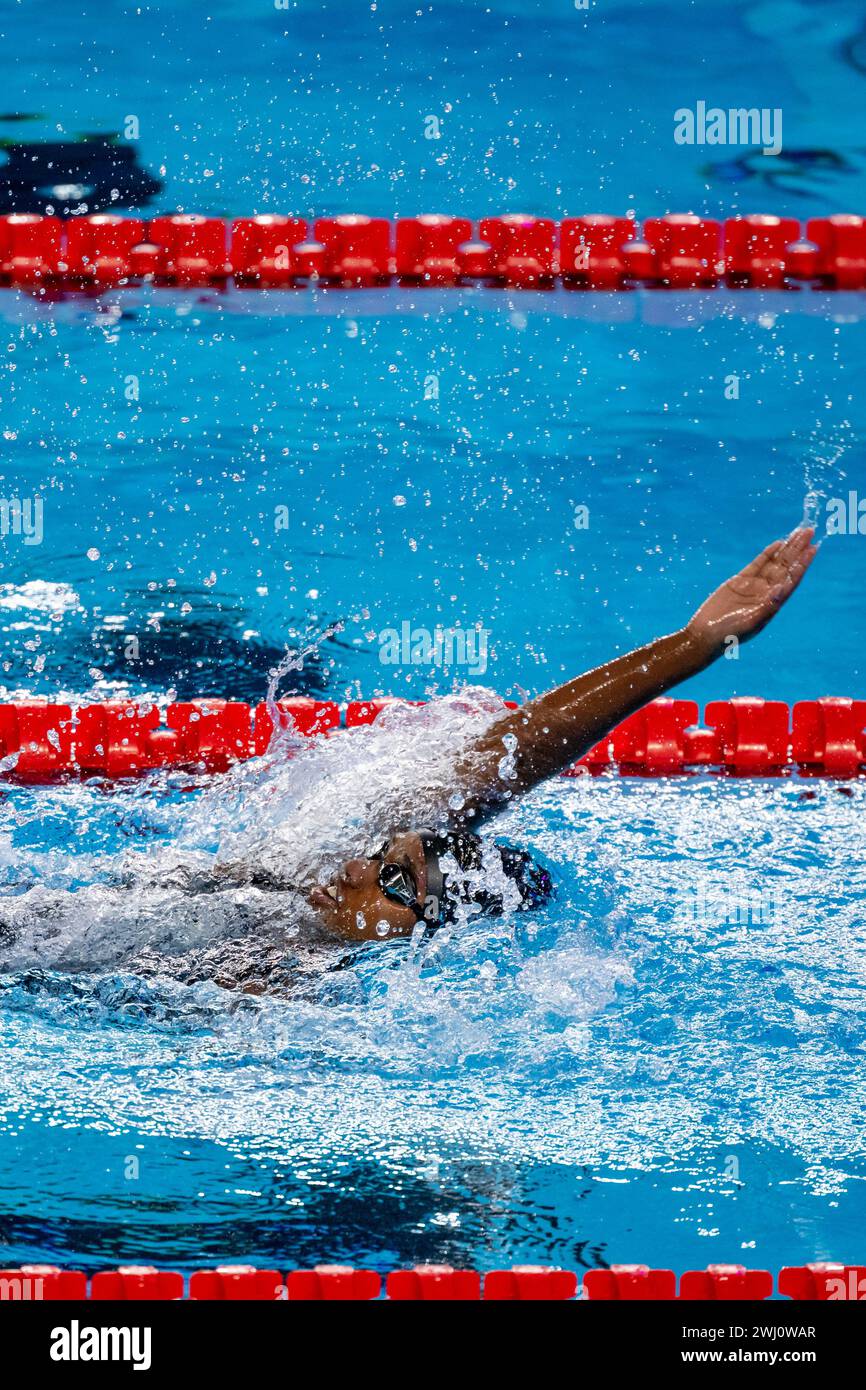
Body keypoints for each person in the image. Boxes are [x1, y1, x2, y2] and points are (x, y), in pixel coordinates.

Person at [308, 527, 817, 942]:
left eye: (393, 882)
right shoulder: (304, 888)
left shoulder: (306, 997)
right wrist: (694, 644)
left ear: (436, 931)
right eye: (381, 855)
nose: (352, 868)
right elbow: (511, 755)